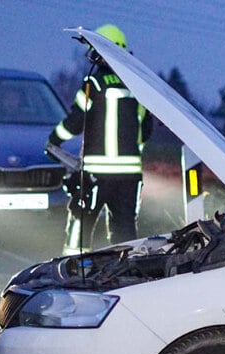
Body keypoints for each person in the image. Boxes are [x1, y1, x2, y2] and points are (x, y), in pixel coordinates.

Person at [48, 24, 152, 255]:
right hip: (129, 177)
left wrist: (54, 140)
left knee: (81, 223)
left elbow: (75, 121)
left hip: (95, 174)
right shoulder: (138, 88)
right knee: (124, 230)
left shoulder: (93, 84)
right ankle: (126, 274)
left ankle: (74, 270)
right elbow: (146, 129)